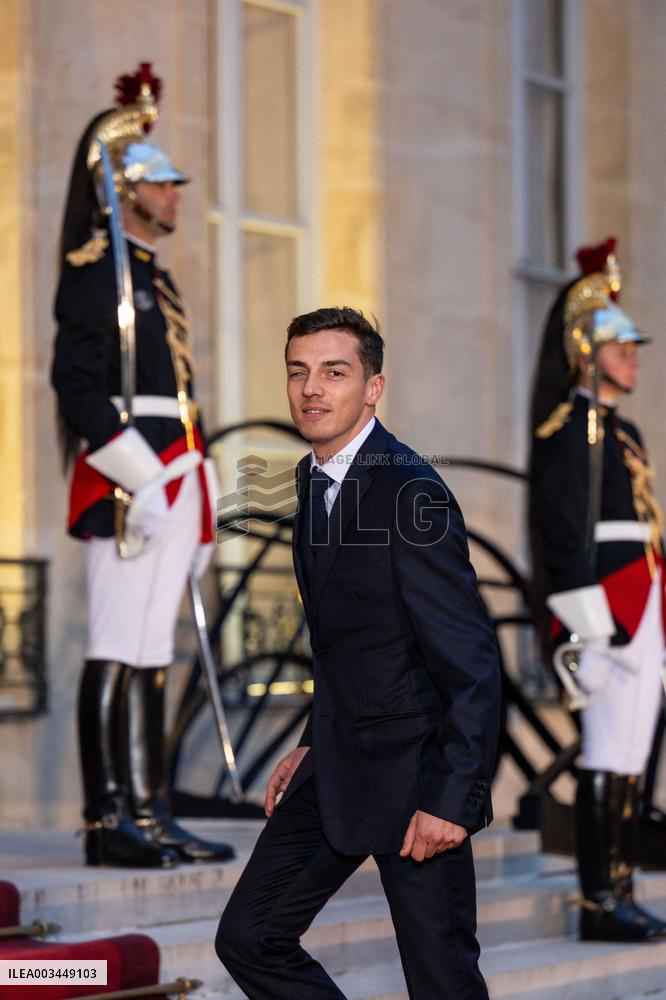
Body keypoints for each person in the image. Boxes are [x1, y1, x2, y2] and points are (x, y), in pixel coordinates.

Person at [215, 307, 501, 999]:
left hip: (415, 781)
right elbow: (347, 645)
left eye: (334, 372)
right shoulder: (310, 483)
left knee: (443, 981)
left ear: (373, 387)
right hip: (340, 763)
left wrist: (452, 800)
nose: (312, 388)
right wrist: (314, 739)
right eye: (299, 371)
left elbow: (472, 662)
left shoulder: (412, 490)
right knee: (250, 937)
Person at [51, 63, 234, 868]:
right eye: (161, 183)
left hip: (174, 468)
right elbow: (78, 386)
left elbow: (176, 391)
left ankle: (152, 808)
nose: (175, 195)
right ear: (123, 190)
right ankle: (106, 817)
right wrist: (144, 475)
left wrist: (198, 476)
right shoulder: (100, 274)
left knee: (155, 650)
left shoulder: (156, 279)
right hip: (132, 479)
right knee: (117, 644)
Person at [529, 238, 666, 941]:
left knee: (633, 757)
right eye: (619, 348)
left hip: (643, 602)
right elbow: (564, 537)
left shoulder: (624, 430)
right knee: (606, 752)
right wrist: (584, 630)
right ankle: (597, 902)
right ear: (586, 350)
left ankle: (622, 885)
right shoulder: (567, 430)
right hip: (605, 608)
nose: (633, 358)